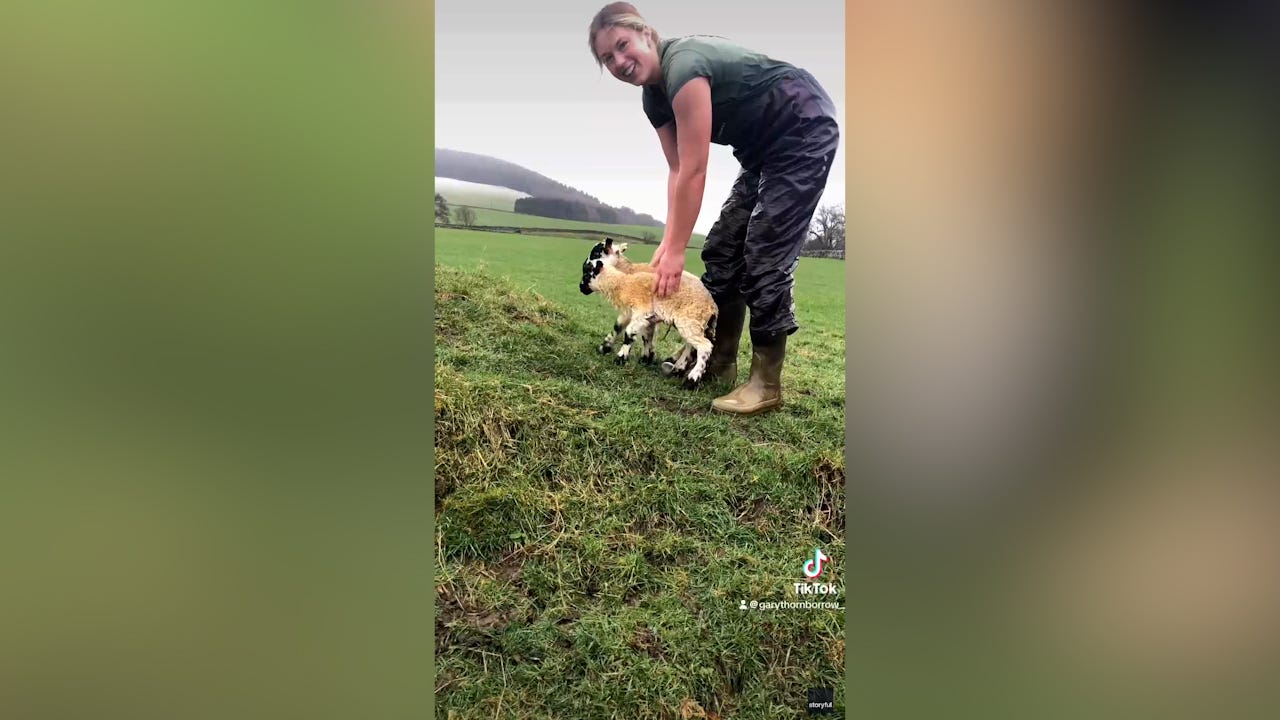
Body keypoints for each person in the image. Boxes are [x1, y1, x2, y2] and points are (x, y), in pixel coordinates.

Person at [588, 3, 839, 416]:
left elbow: (695, 169)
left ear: (646, 34)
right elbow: (676, 170)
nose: (619, 62)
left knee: (763, 252)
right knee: (722, 249)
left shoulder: (684, 69)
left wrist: (674, 250)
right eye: (607, 58)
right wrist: (669, 243)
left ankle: (766, 384)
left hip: (802, 127)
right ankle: (720, 363)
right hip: (762, 151)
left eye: (622, 45)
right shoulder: (654, 100)